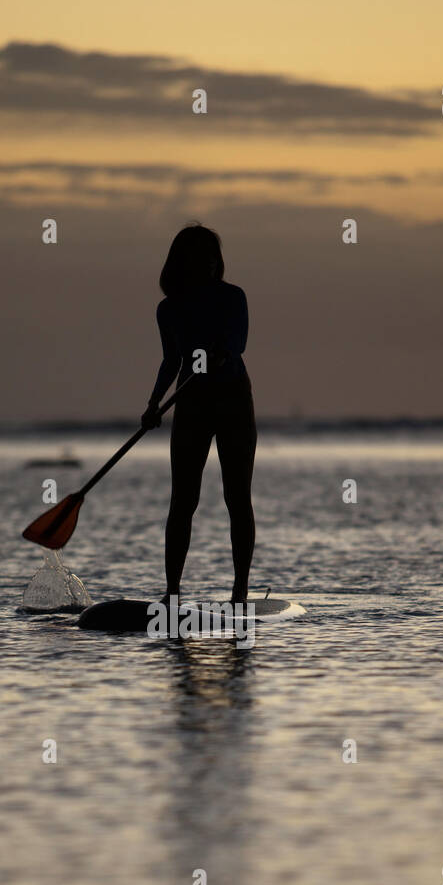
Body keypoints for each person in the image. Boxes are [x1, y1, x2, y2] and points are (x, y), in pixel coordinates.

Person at [143, 224, 256, 605]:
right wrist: (153, 404)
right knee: (183, 501)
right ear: (181, 262)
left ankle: (240, 591)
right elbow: (171, 361)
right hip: (191, 405)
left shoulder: (233, 298)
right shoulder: (169, 309)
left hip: (233, 401)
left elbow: (236, 344)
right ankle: (172, 592)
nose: (208, 263)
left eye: (212, 256)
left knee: (236, 498)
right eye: (198, 256)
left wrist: (217, 355)